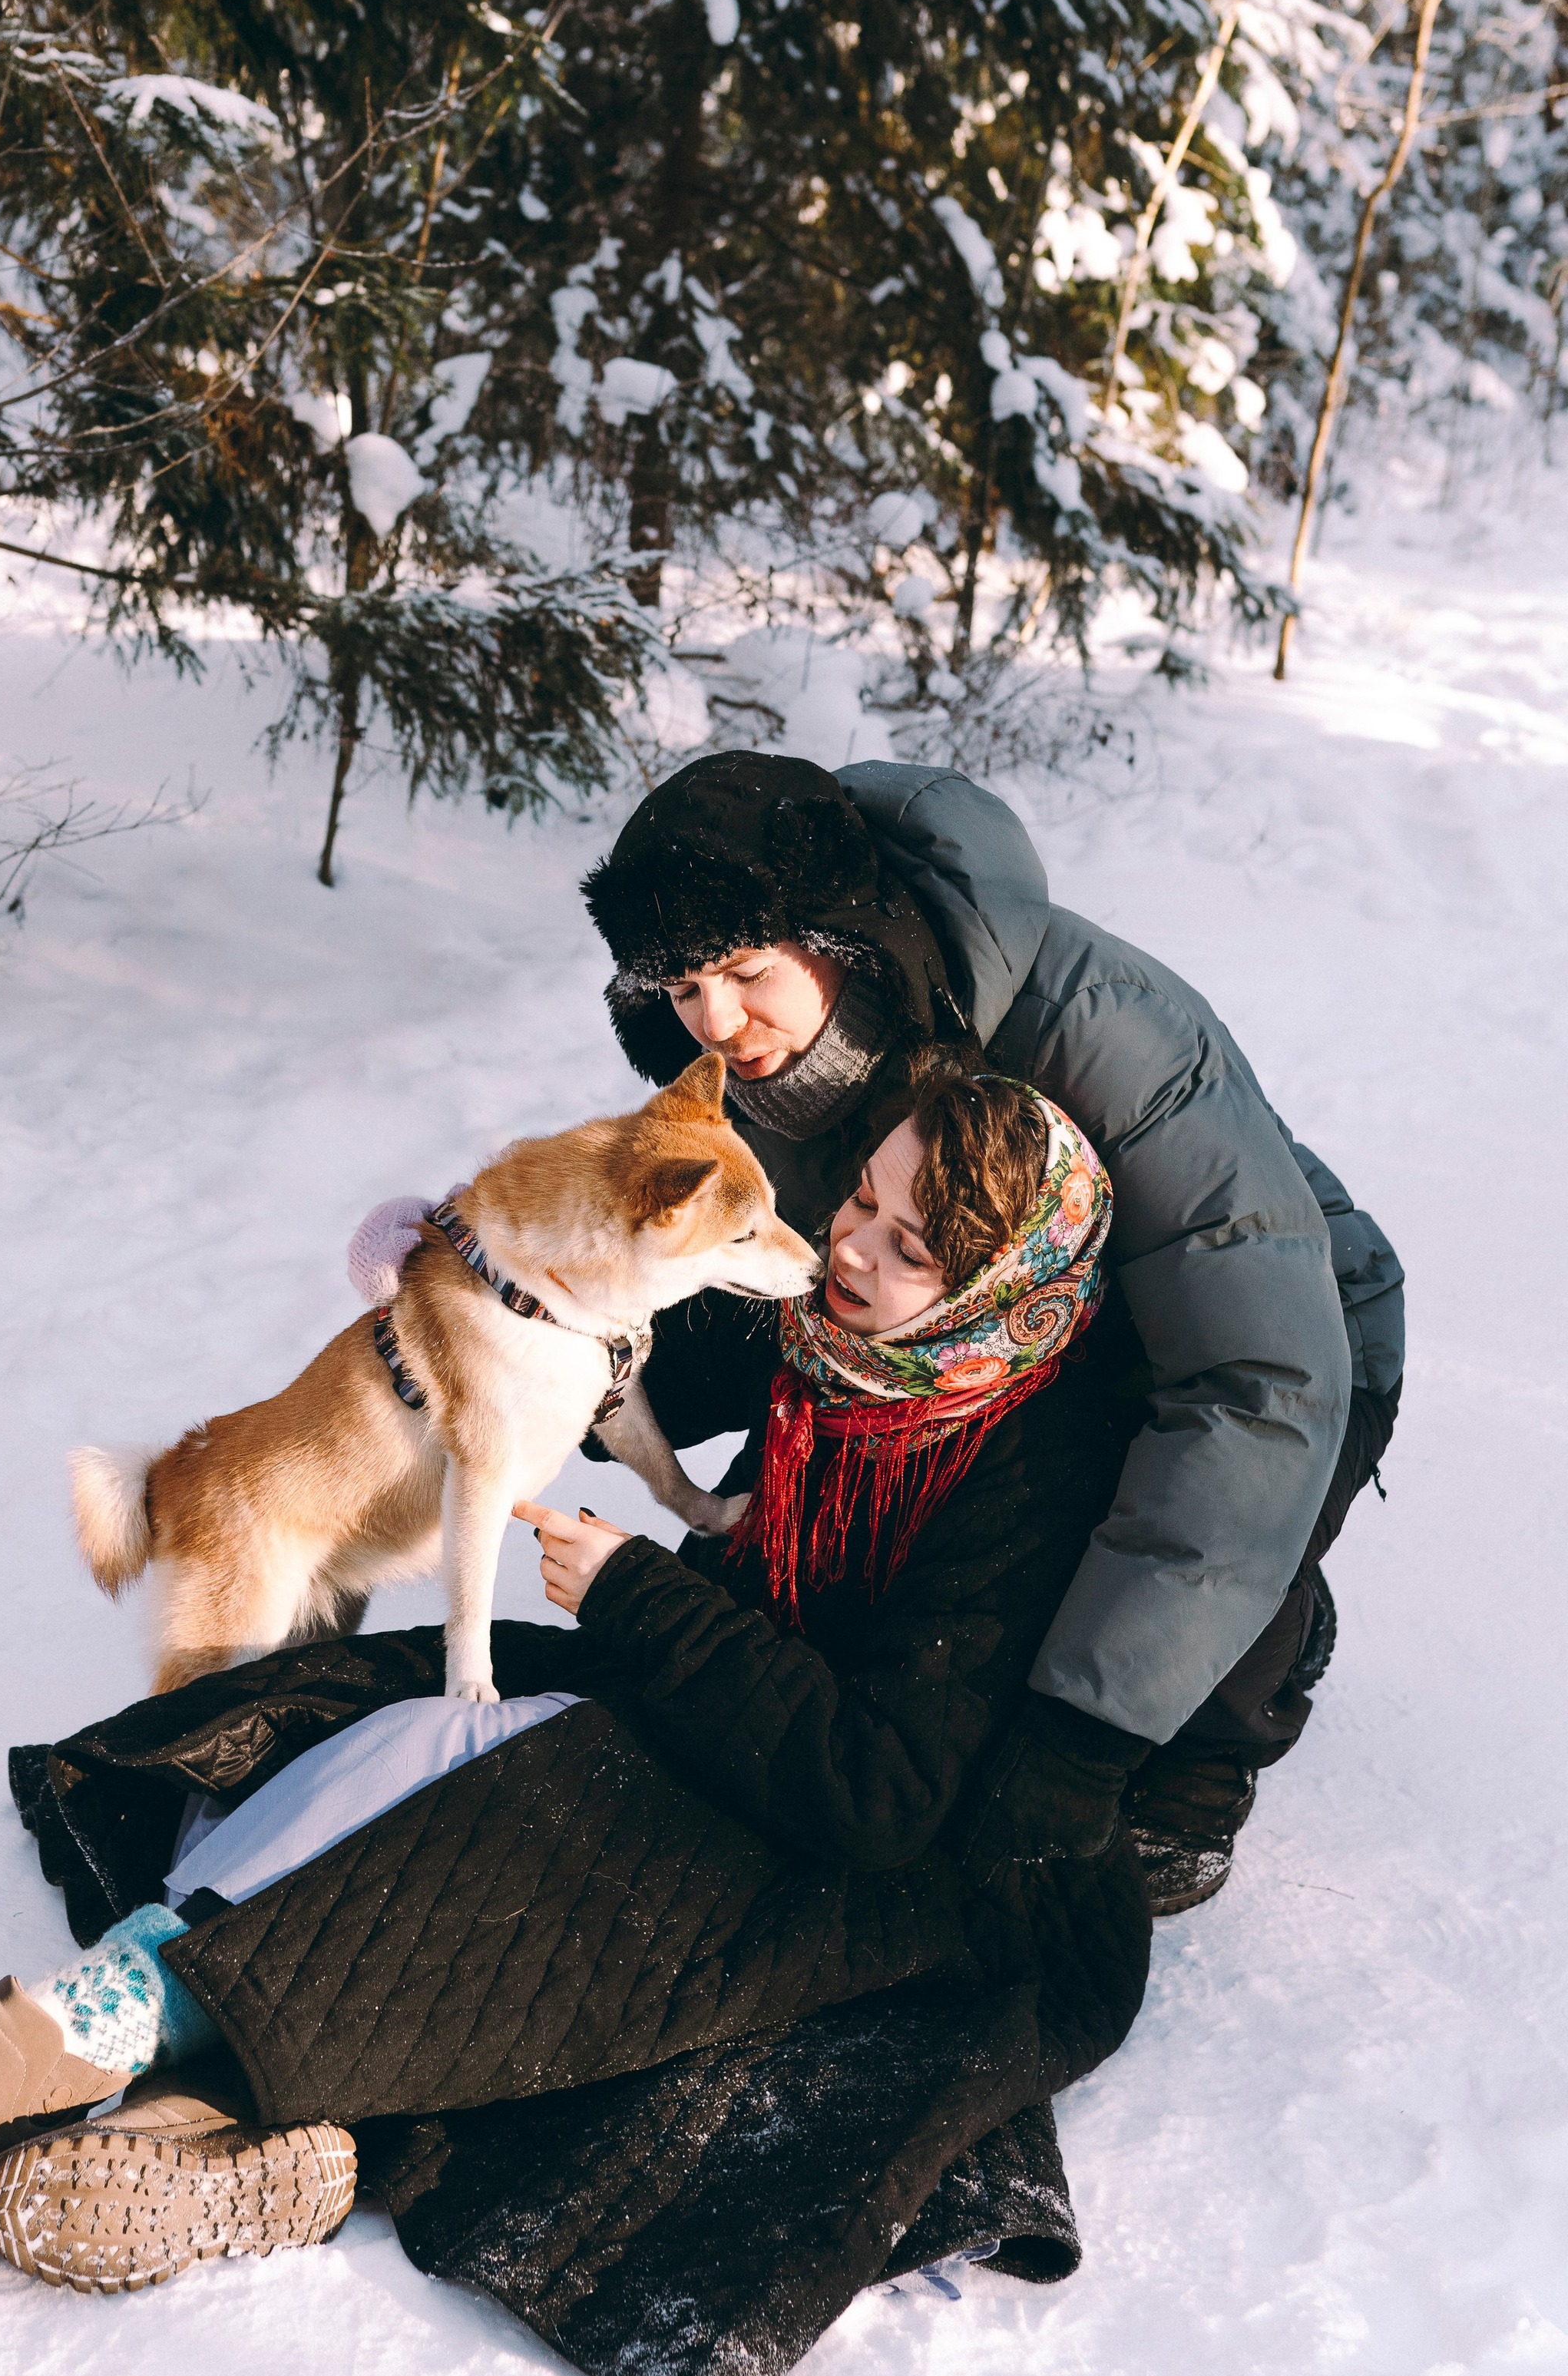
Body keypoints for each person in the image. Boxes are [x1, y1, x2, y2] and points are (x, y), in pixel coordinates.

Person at [0, 1058, 1154, 2376]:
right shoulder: (859, 1352)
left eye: (907, 1247)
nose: (847, 1246)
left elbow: (884, 1790)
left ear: (993, 1284)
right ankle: (156, 2085)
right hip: (732, 1721)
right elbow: (606, 1304)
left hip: (881, 1864)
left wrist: (641, 1597)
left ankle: (135, 2079)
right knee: (390, 1731)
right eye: (859, 1197)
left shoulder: (1029, 1471)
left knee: (487, 1839)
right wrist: (468, 1268)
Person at [575, 752, 1405, 1910]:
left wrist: (1084, 1739)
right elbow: (779, 1278)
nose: (716, 1022)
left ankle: (1229, 1716)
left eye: (746, 971)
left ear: (840, 933)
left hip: (1271, 1336)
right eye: (680, 988)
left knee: (1160, 1545)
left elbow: (1253, 1390)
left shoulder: (1104, 1034)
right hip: (982, 1324)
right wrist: (581, 1357)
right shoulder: (766, 1058)